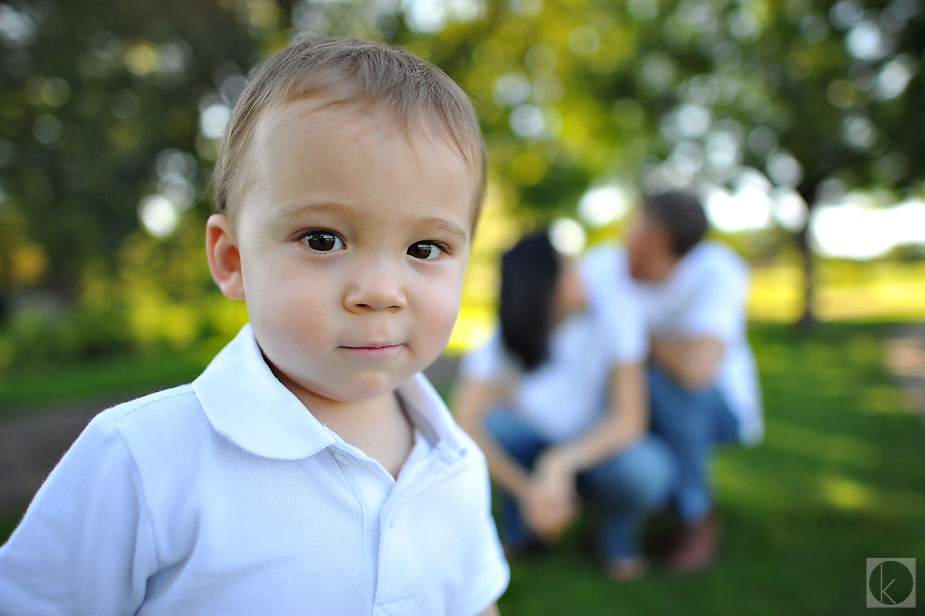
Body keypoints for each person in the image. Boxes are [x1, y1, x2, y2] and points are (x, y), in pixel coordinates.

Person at [0, 37, 509, 615]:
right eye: (323, 240)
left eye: (425, 247)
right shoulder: (145, 458)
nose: (380, 292)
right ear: (233, 259)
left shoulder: (453, 462)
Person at [454, 230, 676, 580]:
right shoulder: (504, 334)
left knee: (648, 470)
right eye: (569, 268)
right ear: (544, 285)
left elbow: (630, 420)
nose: (581, 272)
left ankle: (614, 536)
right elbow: (464, 423)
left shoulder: (614, 316)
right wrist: (528, 489)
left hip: (597, 449)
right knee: (495, 428)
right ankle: (528, 521)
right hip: (532, 445)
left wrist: (558, 464)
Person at [582, 190, 763, 573]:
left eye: (649, 255)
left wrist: (635, 337)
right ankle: (620, 507)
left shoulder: (717, 271)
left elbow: (697, 369)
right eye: (633, 239)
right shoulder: (604, 265)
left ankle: (694, 516)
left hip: (717, 407)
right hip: (635, 400)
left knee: (671, 383)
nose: (632, 258)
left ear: (682, 258)